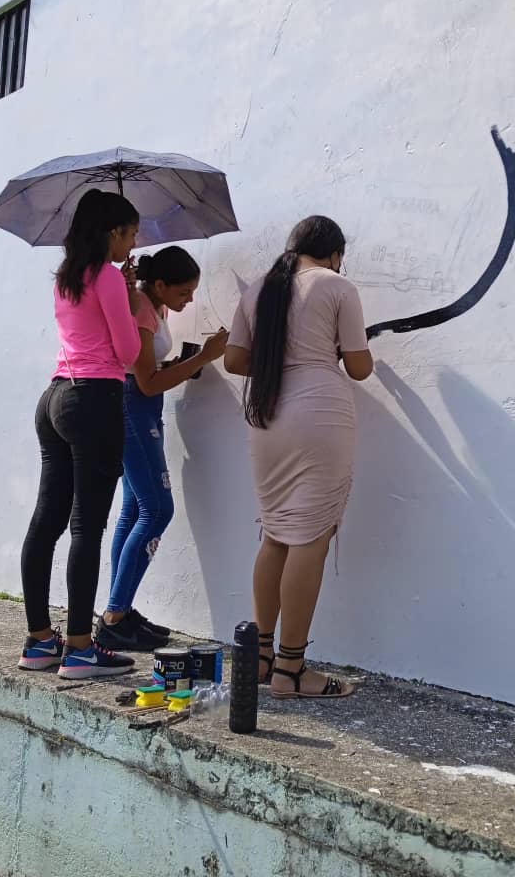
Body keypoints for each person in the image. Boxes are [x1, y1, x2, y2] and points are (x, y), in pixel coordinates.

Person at [224, 215, 373, 698]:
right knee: (311, 537)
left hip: (267, 417)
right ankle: (292, 670)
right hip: (320, 415)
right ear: (333, 253)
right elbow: (360, 367)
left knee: (276, 534)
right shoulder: (336, 286)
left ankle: (263, 657)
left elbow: (234, 360)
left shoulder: (260, 290)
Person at [18, 188, 142, 679]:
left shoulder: (66, 278)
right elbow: (129, 351)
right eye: (130, 234)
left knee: (46, 523)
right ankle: (81, 649)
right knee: (87, 528)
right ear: (112, 232)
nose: (131, 245)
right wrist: (130, 298)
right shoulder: (110, 278)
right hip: (93, 399)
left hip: (54, 399)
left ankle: (39, 642)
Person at [95, 247, 229, 651]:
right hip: (131, 408)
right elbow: (148, 380)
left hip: (143, 408)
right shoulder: (139, 310)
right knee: (158, 509)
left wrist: (180, 361)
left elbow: (150, 370)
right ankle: (115, 616)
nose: (189, 300)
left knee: (136, 509)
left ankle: (120, 611)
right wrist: (203, 357)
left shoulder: (152, 306)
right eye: (184, 292)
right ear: (160, 285)